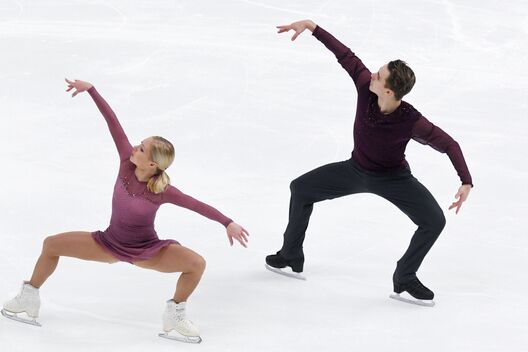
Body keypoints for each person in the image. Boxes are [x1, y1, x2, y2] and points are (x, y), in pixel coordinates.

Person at [2, 79, 249, 342]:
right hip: (107, 243)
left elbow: (196, 205)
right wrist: (92, 91)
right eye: (138, 144)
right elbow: (113, 123)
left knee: (196, 264)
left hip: (146, 252)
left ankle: (175, 315)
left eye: (141, 149)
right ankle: (28, 300)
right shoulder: (126, 163)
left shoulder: (162, 190)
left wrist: (227, 222)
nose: (134, 148)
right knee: (51, 245)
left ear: (152, 164)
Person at [265, 20, 473, 306]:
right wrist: (312, 27)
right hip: (355, 170)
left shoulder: (411, 120)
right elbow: (346, 56)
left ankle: (405, 276)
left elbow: (449, 144)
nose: (371, 74)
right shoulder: (366, 86)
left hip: (394, 179)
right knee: (300, 189)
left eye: (379, 75)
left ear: (389, 91)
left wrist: (466, 180)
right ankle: (290, 255)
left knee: (434, 221)